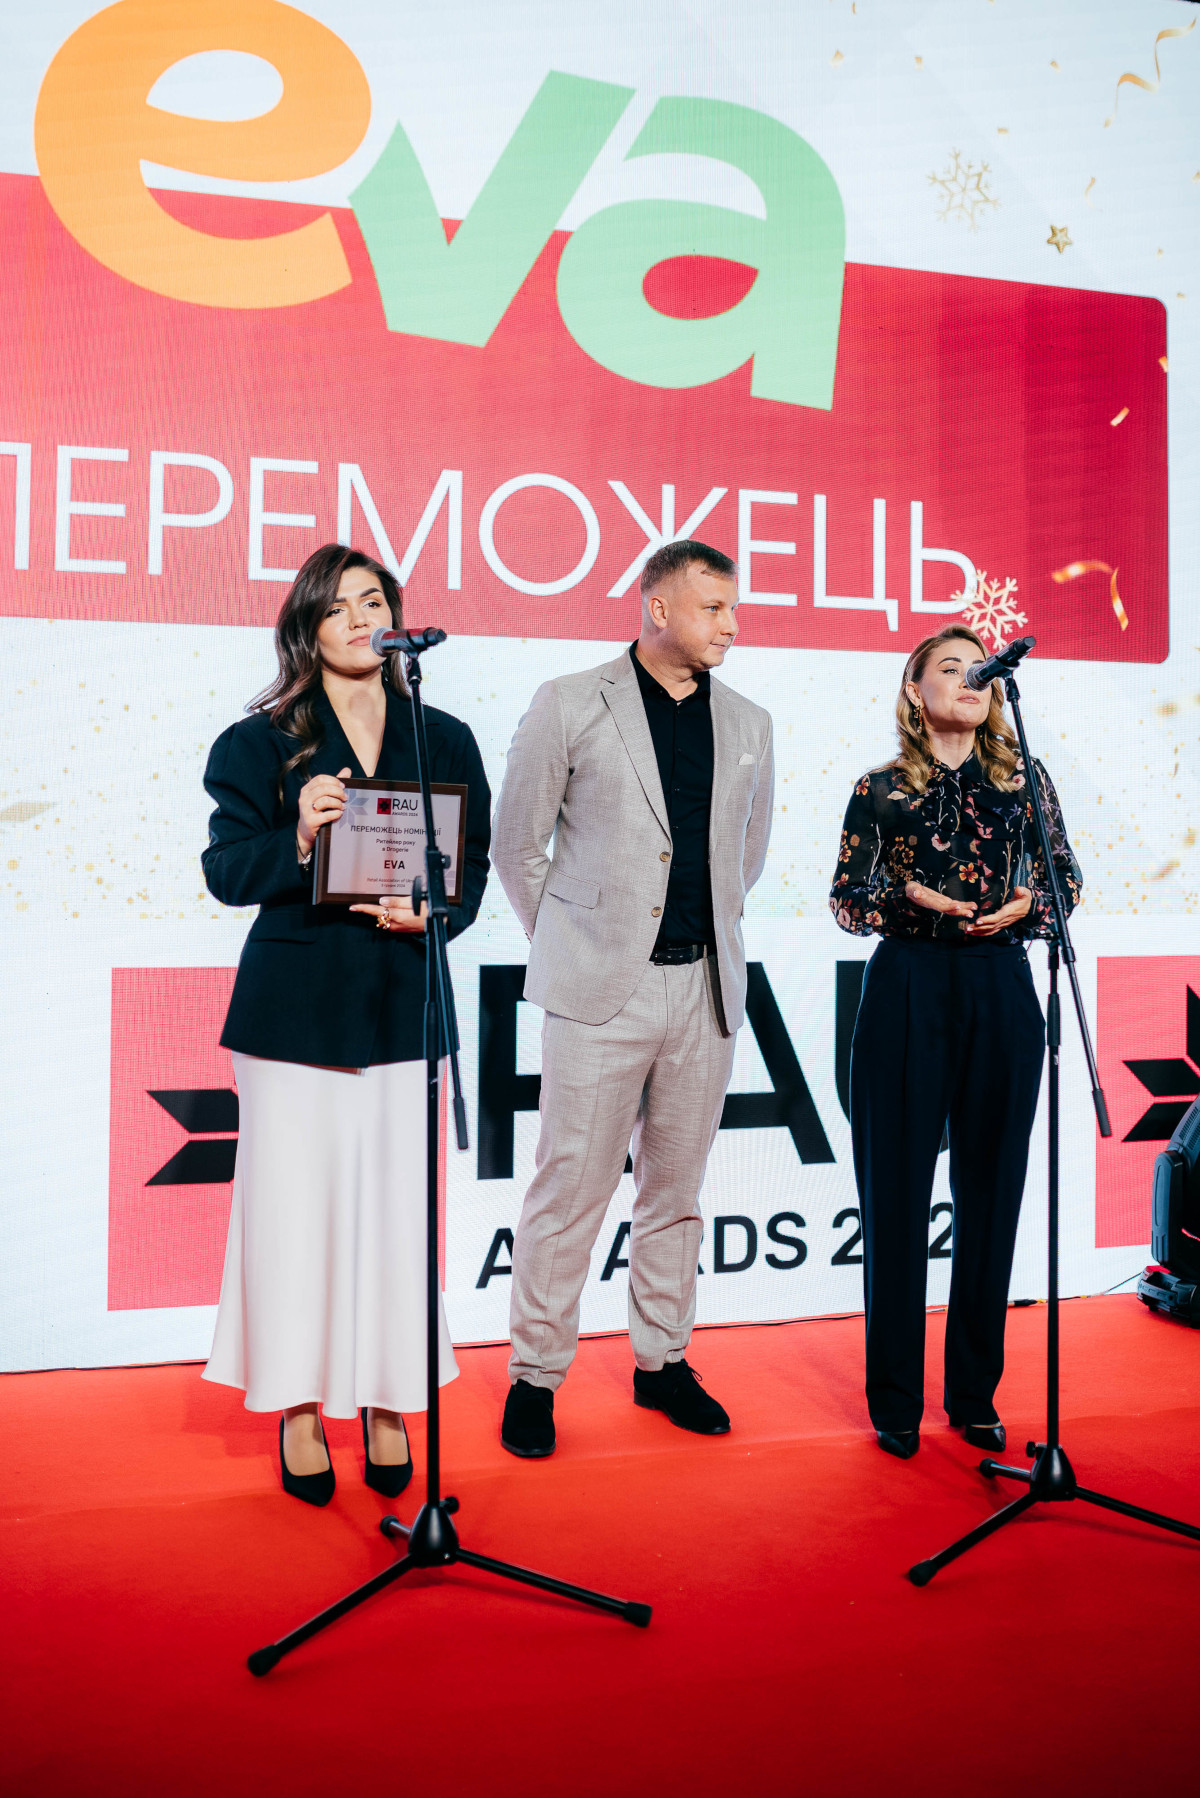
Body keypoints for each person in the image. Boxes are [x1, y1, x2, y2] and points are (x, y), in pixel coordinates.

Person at [200, 545, 490, 1505]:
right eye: (340, 607)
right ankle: (295, 1407)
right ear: (307, 628)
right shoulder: (257, 743)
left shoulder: (442, 737)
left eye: (376, 602)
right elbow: (225, 872)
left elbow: (470, 871)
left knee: (396, 1220)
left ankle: (388, 1400)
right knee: (292, 1217)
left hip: (402, 1006)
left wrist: (433, 912)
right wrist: (296, 835)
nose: (364, 619)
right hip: (293, 1017)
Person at [491, 539, 774, 1457]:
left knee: (676, 1194)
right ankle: (535, 1376)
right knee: (570, 1188)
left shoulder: (751, 722)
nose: (731, 626)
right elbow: (514, 845)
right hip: (597, 993)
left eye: (733, 608)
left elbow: (745, 859)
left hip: (706, 990)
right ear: (658, 608)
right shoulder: (571, 701)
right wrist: (574, 944)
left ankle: (664, 1361)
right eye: (713, 608)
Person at [830, 623, 1081, 1460]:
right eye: (950, 667)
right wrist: (914, 902)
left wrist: (1030, 907)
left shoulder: (1024, 780)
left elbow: (1065, 878)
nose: (972, 678)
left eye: (981, 670)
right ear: (915, 691)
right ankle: (896, 1400)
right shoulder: (879, 788)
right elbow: (848, 899)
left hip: (1003, 986)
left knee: (993, 1196)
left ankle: (973, 1393)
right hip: (908, 987)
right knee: (895, 1198)